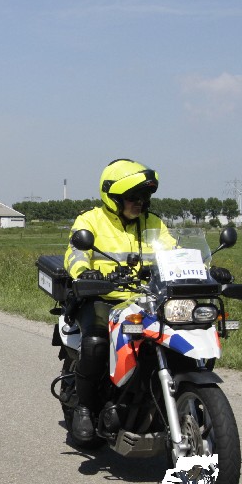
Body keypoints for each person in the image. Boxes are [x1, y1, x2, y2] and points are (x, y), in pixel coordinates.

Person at [61, 158, 171, 442]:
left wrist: (201, 269)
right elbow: (75, 253)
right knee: (95, 342)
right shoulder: (90, 220)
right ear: (113, 197)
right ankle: (85, 407)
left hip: (147, 300)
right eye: (133, 197)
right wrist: (84, 273)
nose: (140, 203)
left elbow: (174, 252)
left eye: (144, 197)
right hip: (102, 297)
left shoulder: (154, 223)